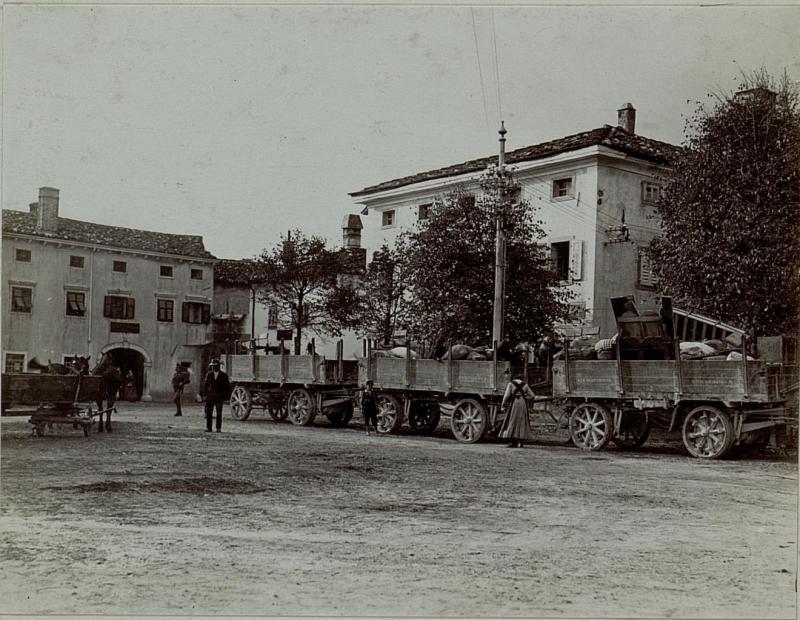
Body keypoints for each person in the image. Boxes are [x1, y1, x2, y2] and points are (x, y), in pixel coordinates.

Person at [499, 375, 535, 448]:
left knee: (513, 421)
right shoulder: (525, 385)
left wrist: (503, 404)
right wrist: (525, 398)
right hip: (523, 403)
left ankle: (514, 443)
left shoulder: (511, 384)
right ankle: (521, 443)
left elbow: (506, 396)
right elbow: (532, 395)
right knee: (522, 422)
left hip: (515, 403)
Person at [202, 359, 231, 433]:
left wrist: (223, 396)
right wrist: (206, 395)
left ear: (218, 366)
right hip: (210, 396)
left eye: (215, 366)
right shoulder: (209, 374)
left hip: (219, 396)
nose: (213, 367)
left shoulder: (224, 375)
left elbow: (227, 387)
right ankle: (209, 428)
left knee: (219, 413)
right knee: (209, 413)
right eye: (212, 366)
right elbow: (206, 385)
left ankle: (218, 428)